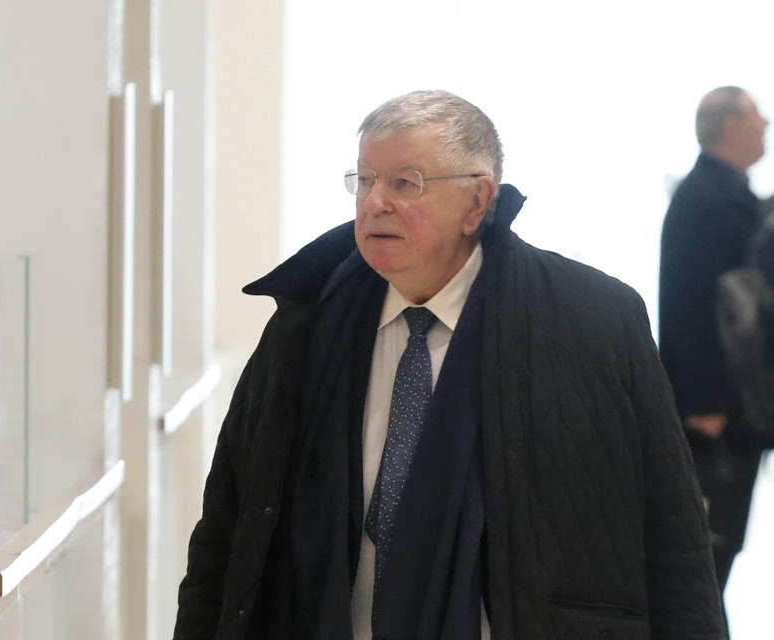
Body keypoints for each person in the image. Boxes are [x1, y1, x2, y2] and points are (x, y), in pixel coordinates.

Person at [176, 90, 724, 640]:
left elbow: (672, 531)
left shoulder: (595, 319)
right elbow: (228, 525)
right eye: (365, 180)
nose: (374, 203)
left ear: (477, 202)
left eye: (404, 182)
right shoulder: (306, 323)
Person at [659, 86, 769, 601]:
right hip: (716, 415)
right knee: (705, 557)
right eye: (755, 115)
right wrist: (703, 403)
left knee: (715, 553)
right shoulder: (706, 197)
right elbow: (686, 304)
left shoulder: (727, 193)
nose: (765, 123)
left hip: (732, 409)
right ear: (728, 126)